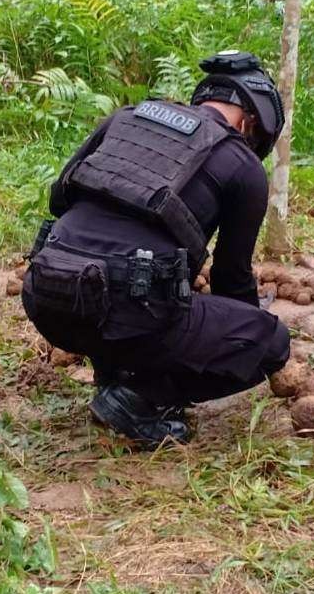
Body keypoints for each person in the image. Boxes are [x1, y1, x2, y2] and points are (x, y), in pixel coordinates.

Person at [21, 50, 291, 448]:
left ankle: (115, 377)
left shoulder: (125, 118)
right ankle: (141, 399)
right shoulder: (241, 164)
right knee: (269, 341)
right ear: (252, 122)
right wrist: (239, 330)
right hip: (129, 313)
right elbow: (231, 277)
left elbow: (60, 199)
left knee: (137, 287)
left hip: (46, 294)